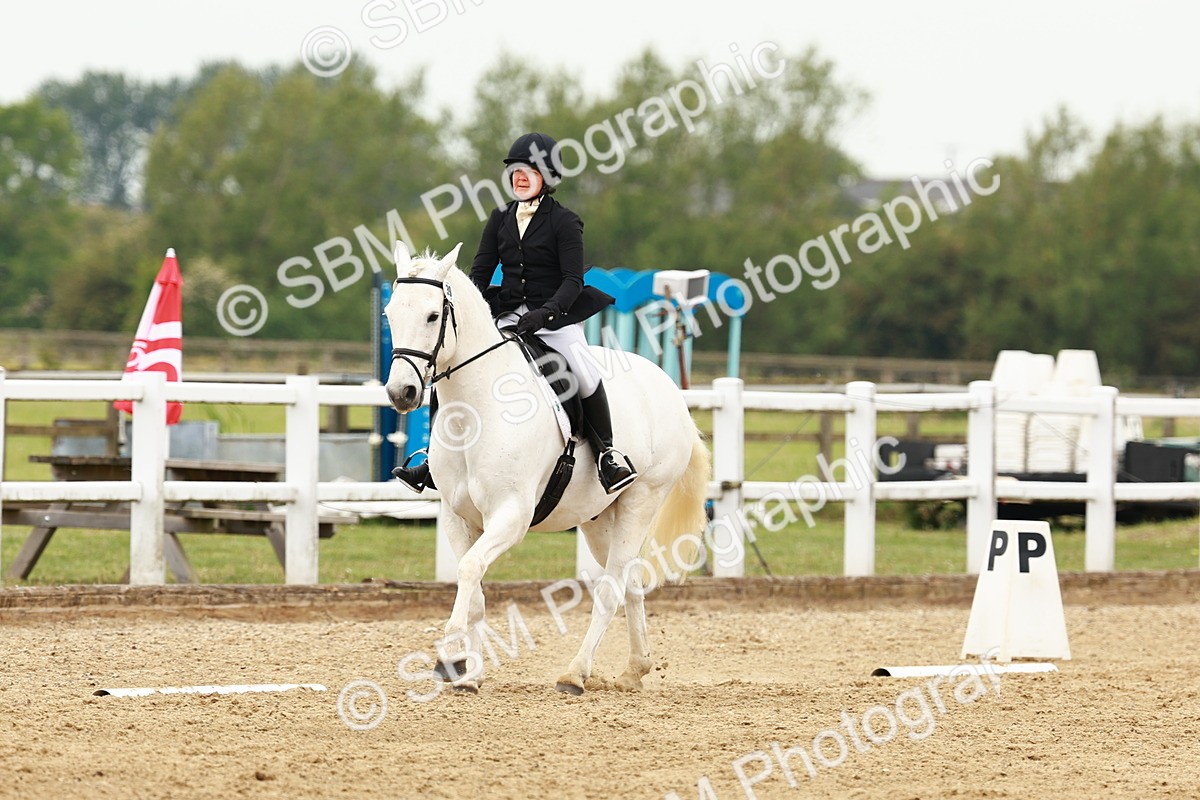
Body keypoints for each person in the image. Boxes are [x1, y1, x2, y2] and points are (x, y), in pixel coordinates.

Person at [394, 132, 638, 495]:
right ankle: (432, 459)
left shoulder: (565, 222)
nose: (519, 177)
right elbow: (479, 273)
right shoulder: (500, 219)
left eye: (528, 171)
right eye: (515, 171)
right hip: (507, 317)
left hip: (556, 320)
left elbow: (572, 280)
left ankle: (607, 455)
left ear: (548, 177)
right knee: (449, 368)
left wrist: (545, 314)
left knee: (583, 372)